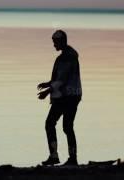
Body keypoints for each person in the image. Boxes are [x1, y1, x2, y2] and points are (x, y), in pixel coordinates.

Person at [37, 30, 82, 166]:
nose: (54, 45)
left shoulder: (66, 58)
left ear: (62, 41)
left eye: (55, 42)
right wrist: (48, 83)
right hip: (72, 95)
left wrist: (47, 91)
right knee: (67, 127)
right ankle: (71, 158)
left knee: (51, 123)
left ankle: (55, 156)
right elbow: (60, 78)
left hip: (67, 97)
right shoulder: (67, 56)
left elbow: (61, 80)